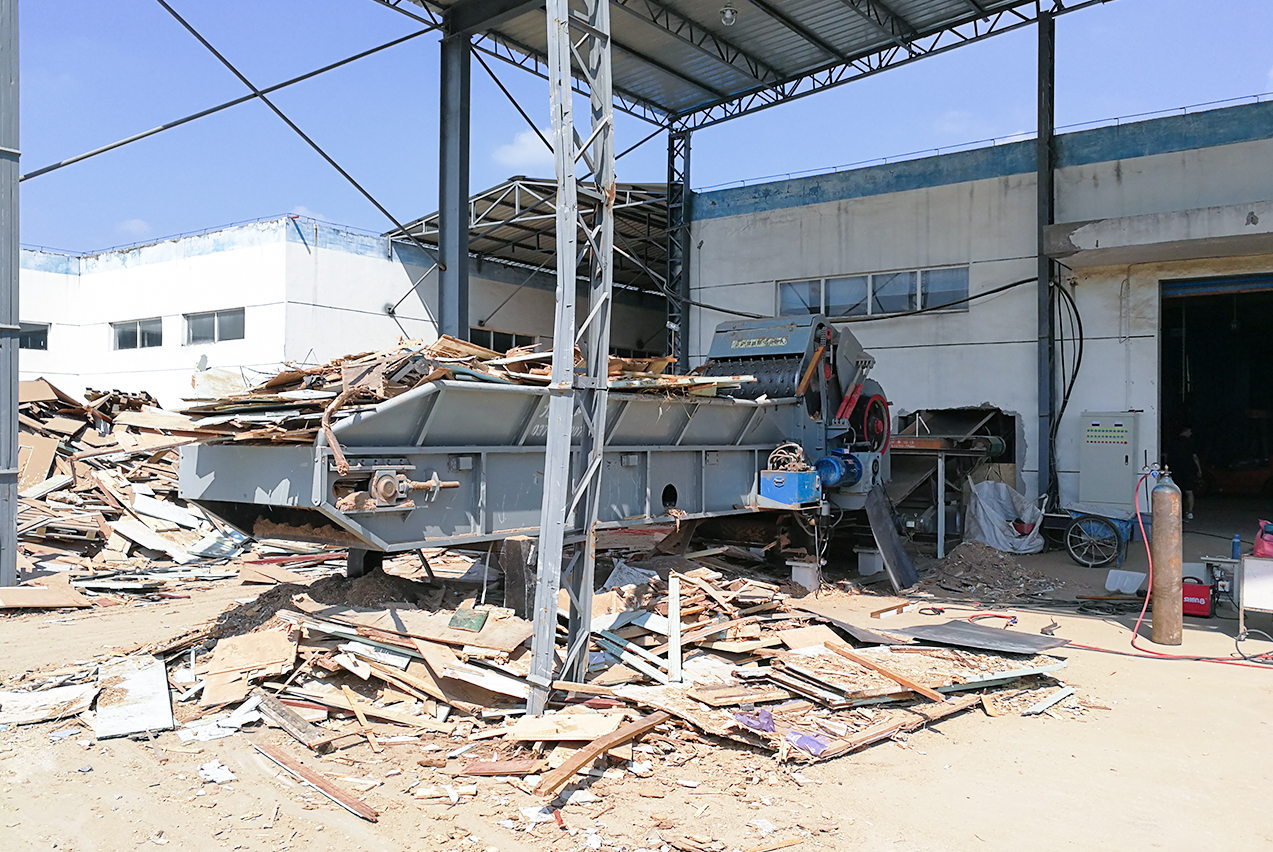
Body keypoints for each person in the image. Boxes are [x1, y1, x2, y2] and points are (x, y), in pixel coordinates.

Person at [1166, 425, 1202, 520]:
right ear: (1185, 431)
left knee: (1175, 491)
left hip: (1175, 469)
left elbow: (1167, 456)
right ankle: (1190, 512)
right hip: (1188, 469)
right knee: (1189, 491)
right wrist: (1199, 469)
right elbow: (1194, 457)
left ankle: (1175, 511)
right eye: (1189, 431)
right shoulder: (1190, 442)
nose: (1191, 433)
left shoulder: (1172, 442)